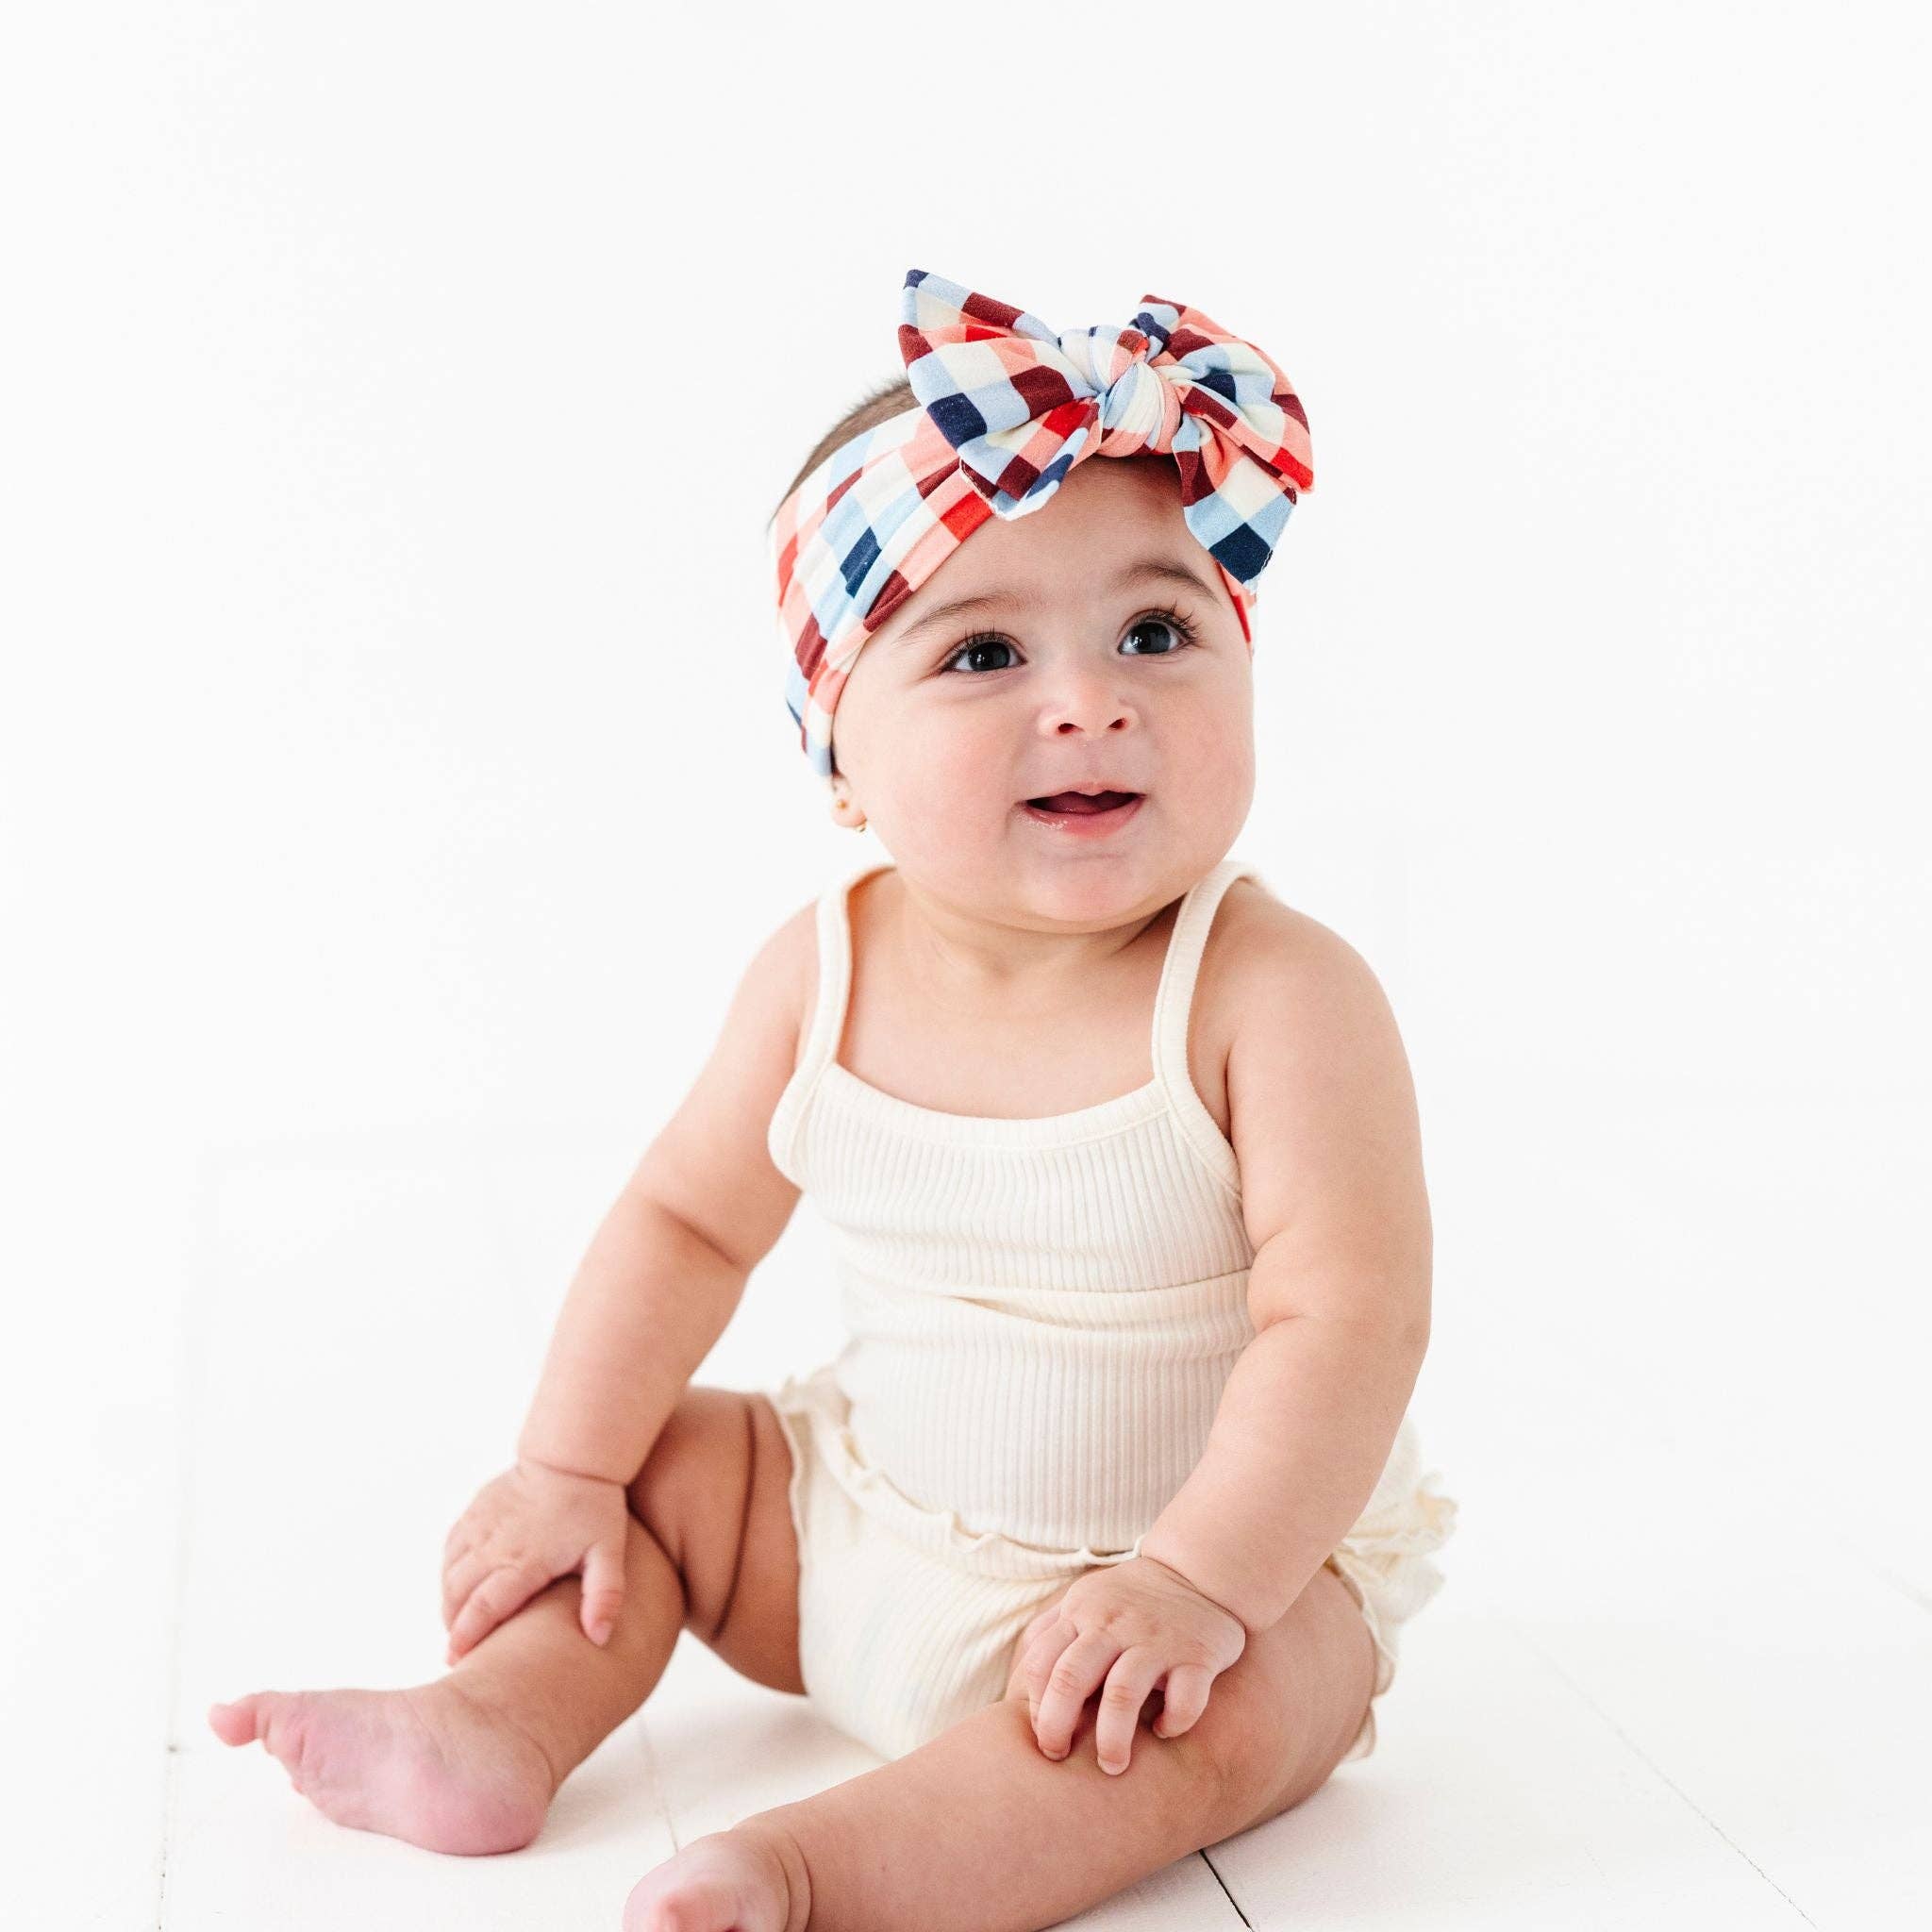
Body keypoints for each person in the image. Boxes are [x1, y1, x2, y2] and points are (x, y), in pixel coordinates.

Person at [208, 267, 1459, 1932]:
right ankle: (501, 1721)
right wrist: (566, 1469)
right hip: (856, 1534)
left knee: (1244, 1707)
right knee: (659, 1471)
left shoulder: (1273, 994)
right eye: (986, 652)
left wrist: (1196, 1583)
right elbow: (684, 1221)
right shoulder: (823, 973)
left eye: (1158, 633)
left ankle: (818, 1873)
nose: (1091, 698)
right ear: (841, 761)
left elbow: (1349, 1322)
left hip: (1179, 1602)